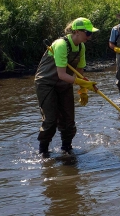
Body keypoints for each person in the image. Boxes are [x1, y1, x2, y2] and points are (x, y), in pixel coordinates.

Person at [34, 17, 99, 156]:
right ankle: (43, 152)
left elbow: (79, 73)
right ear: (76, 31)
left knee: (69, 121)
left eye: (91, 33)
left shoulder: (81, 47)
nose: (90, 36)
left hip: (65, 83)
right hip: (47, 83)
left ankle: (67, 149)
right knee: (51, 120)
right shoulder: (61, 44)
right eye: (88, 33)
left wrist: (84, 90)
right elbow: (62, 74)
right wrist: (81, 83)